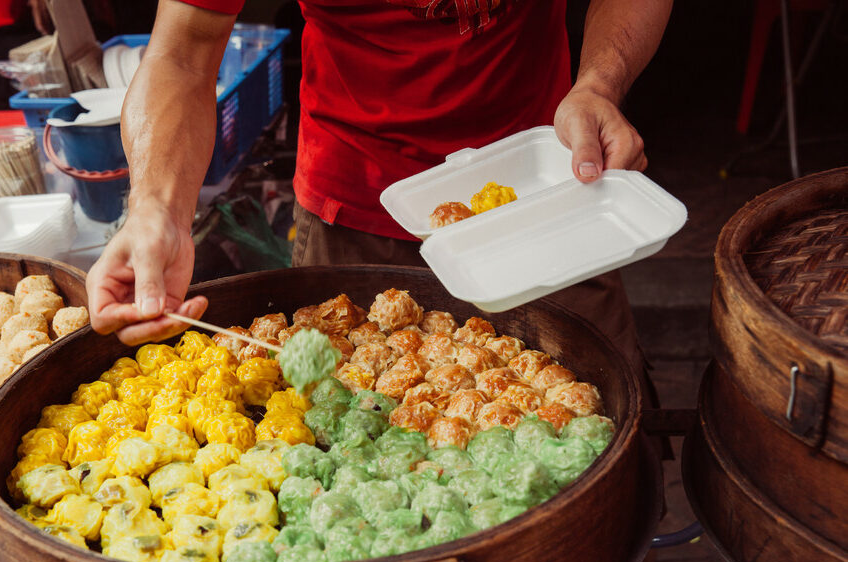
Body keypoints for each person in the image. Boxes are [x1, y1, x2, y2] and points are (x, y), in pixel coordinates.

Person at [87, 0, 674, 397]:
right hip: (354, 205)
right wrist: (155, 211)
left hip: (547, 194)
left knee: (607, 437)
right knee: (341, 426)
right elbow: (183, 52)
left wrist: (600, 83)